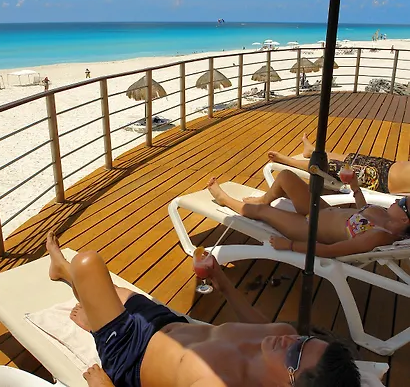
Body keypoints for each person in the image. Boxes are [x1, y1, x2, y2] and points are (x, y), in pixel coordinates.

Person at [46, 232, 360, 387]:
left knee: (87, 264)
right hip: (165, 323)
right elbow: (259, 323)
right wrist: (222, 282)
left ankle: (78, 291)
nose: (291, 341)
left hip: (129, 354)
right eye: (304, 340)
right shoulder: (282, 335)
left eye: (295, 355)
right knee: (107, 290)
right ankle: (68, 277)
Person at [207, 170, 410, 258]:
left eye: (402, 202)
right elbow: (361, 210)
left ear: (404, 219)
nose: (396, 200)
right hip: (321, 210)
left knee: (264, 212)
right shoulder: (386, 215)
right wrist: (355, 188)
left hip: (308, 228)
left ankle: (225, 199)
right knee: (286, 177)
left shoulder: (378, 236)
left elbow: (330, 251)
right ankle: (264, 198)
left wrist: (290, 245)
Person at [267, 133, 410, 194]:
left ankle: (289, 161)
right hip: (386, 166)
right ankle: (311, 151)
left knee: (330, 166)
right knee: (348, 158)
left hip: (377, 179)